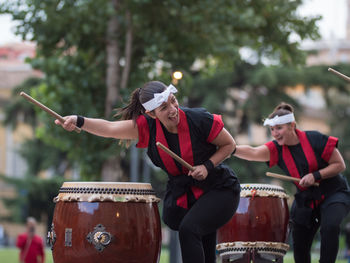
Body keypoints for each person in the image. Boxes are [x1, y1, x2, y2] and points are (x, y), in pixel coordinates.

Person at [55, 81, 241, 263]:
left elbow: (229, 144)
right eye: (163, 107)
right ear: (151, 113)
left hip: (220, 189)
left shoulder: (199, 119)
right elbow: (110, 128)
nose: (173, 109)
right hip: (190, 194)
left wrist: (207, 166)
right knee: (203, 245)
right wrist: (78, 120)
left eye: (173, 101)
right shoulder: (147, 126)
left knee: (189, 229)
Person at [233, 102, 350, 263]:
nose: (275, 133)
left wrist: (315, 175)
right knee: (299, 243)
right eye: (272, 130)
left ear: (292, 126)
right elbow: (253, 152)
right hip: (306, 198)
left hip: (334, 193)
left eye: (279, 128)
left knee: (330, 227)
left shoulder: (315, 139)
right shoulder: (276, 149)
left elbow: (339, 165)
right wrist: (229, 149)